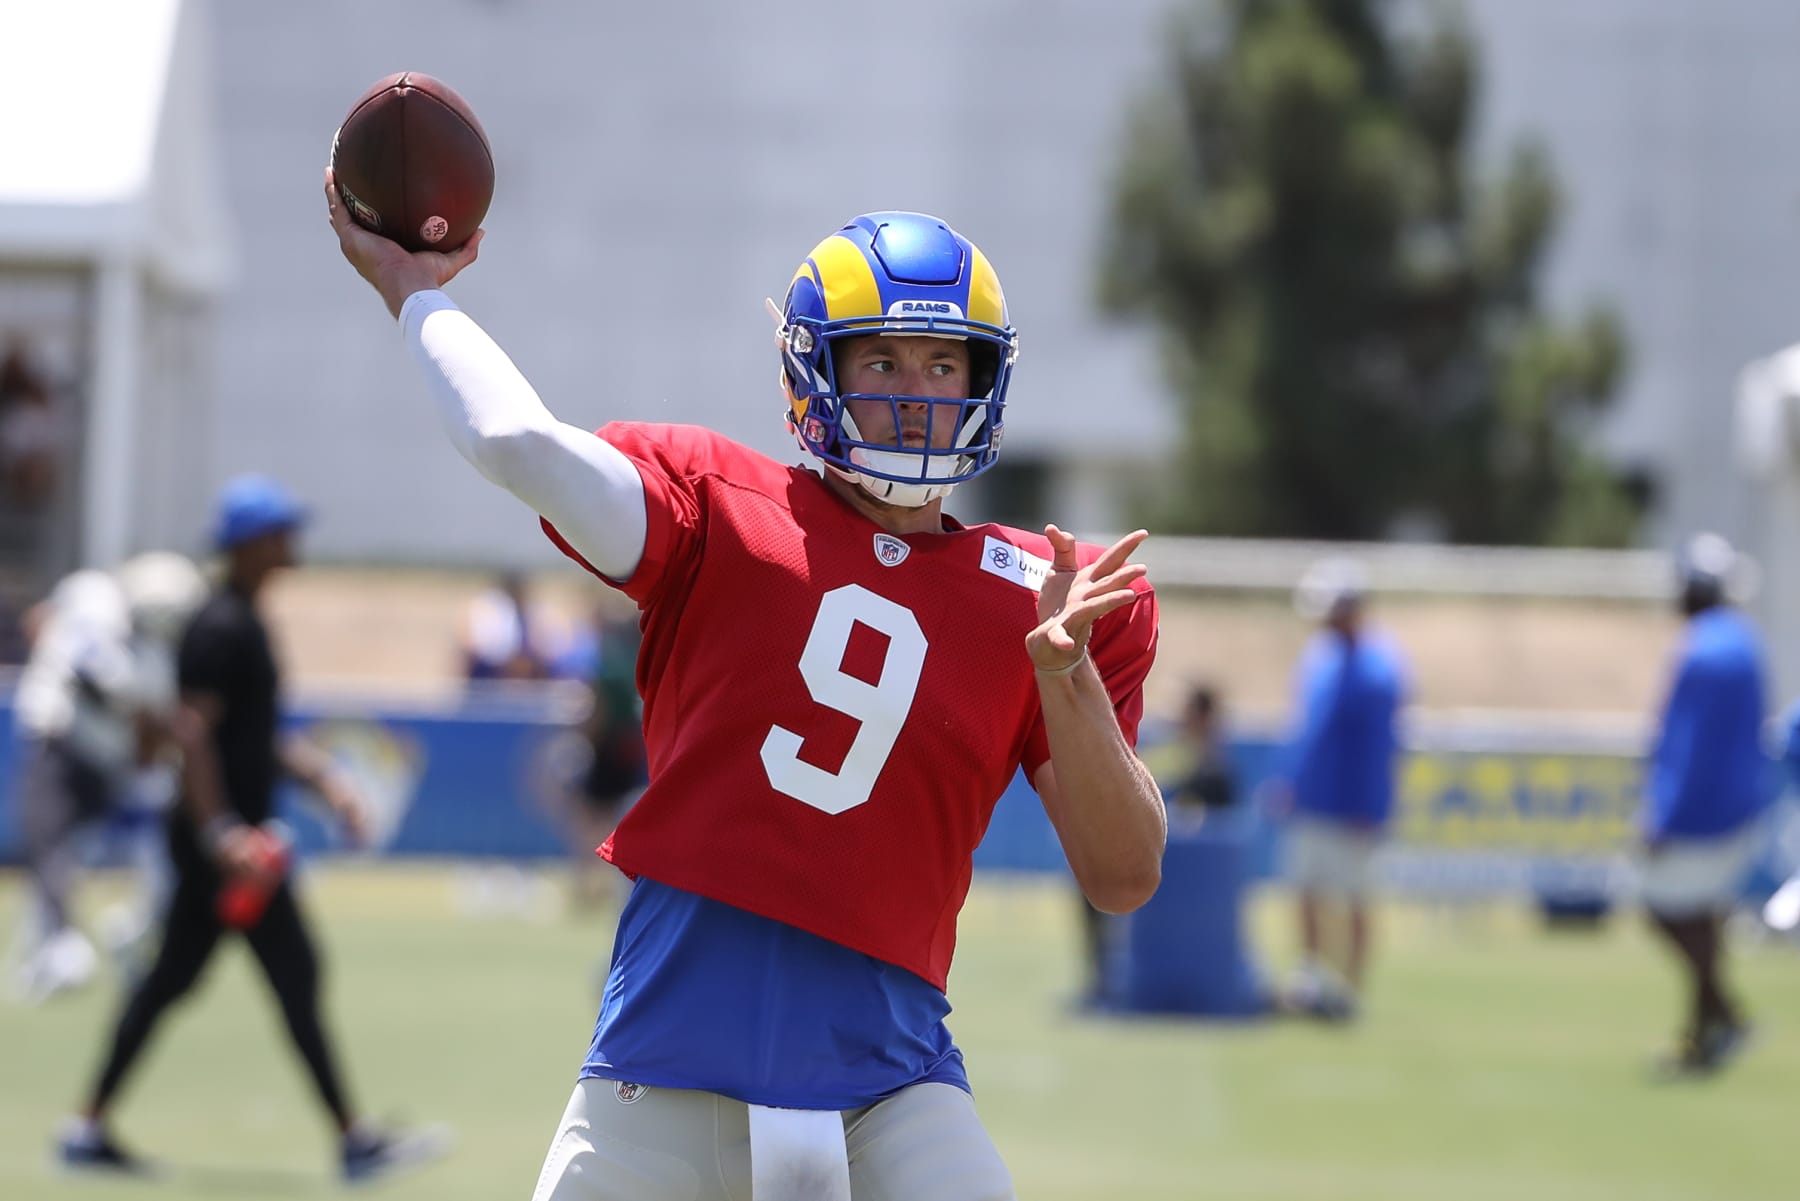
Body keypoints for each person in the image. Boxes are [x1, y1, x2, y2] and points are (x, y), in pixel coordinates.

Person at [328, 173, 1165, 1201]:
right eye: (884, 359)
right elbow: (515, 442)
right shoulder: (719, 510)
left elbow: (1124, 875)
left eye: (946, 362)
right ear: (813, 372)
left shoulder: (1050, 594)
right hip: (661, 1075)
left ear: (984, 380)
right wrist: (420, 294)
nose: (916, 394)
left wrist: (1067, 676)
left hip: (890, 1090)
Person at [55, 475, 445, 1182]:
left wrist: (321, 777)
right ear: (249, 544)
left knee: (175, 980)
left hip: (233, 842)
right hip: (231, 850)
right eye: (280, 531)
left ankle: (86, 1124)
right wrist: (222, 834)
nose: (292, 541)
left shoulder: (241, 619)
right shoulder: (220, 626)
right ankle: (354, 1140)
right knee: (291, 975)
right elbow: (195, 735)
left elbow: (247, 735)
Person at [1639, 532, 1773, 1076]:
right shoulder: (1743, 640)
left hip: (1702, 810)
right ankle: (1702, 1037)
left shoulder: (1700, 648)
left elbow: (1687, 746)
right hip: (1742, 803)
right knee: (1701, 916)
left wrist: (1663, 813)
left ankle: (1728, 1016)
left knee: (1664, 909)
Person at [1272, 557, 1407, 1022]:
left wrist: (1372, 804)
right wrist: (1291, 782)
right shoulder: (1320, 657)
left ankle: (1350, 988)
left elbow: (1379, 746)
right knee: (1306, 891)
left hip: (1354, 807)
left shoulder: (1380, 666)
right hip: (1314, 798)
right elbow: (1307, 730)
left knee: (1355, 898)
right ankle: (1312, 978)